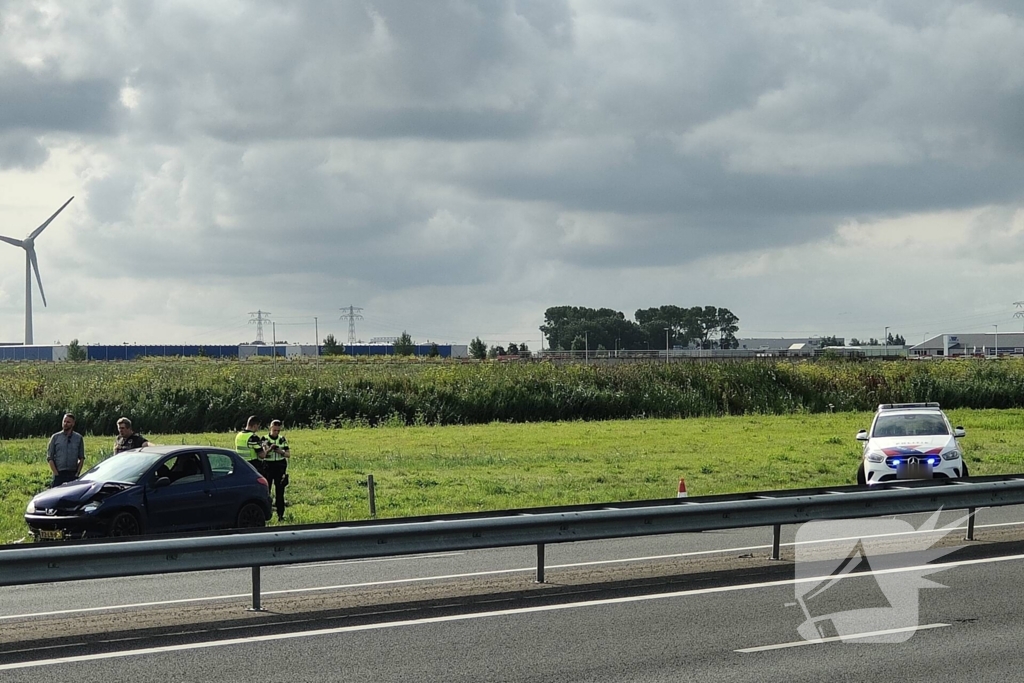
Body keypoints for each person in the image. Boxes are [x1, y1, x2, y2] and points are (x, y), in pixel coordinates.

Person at [46, 413, 85, 487]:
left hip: (72, 474)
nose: (65, 424)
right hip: (59, 473)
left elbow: (82, 458)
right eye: (64, 421)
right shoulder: (55, 437)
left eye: (68, 422)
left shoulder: (78, 438)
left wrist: (77, 473)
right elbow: (50, 457)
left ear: (73, 424)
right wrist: (56, 474)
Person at [263, 419, 291, 522]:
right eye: (274, 430)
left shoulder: (282, 439)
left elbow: (288, 454)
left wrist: (280, 451)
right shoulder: (264, 439)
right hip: (268, 466)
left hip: (280, 466)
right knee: (267, 491)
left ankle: (280, 515)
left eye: (278, 430)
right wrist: (270, 449)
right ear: (270, 428)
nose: (276, 432)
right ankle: (266, 514)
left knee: (280, 492)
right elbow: (263, 454)